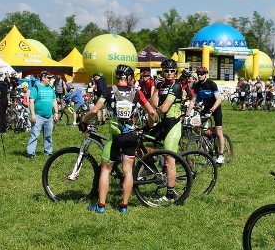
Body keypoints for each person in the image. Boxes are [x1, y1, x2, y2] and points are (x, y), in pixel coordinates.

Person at [80, 64, 157, 213]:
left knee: (105, 169)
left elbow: (95, 110)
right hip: (131, 136)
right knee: (128, 171)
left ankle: (101, 206)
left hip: (115, 137)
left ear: (117, 77)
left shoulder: (109, 91)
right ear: (129, 78)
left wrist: (84, 122)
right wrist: (149, 126)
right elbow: (152, 113)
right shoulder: (137, 92)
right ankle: (124, 206)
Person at [147, 58, 184, 199]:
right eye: (166, 70)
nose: (169, 73)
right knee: (141, 139)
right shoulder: (161, 85)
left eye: (172, 71)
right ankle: (149, 167)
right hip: (162, 123)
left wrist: (154, 110)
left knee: (169, 159)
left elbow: (164, 107)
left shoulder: (176, 86)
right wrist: (157, 88)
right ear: (162, 71)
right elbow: (153, 102)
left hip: (173, 124)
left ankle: (170, 192)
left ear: (175, 72)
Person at [186, 66, 226, 164]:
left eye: (201, 74)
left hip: (215, 109)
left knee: (219, 131)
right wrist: (187, 114)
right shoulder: (197, 85)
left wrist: (212, 110)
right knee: (195, 127)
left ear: (205, 74)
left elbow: (219, 99)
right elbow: (193, 100)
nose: (199, 76)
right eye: (198, 74)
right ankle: (208, 135)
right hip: (206, 108)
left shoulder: (211, 84)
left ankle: (220, 155)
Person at [25, 71, 59, 158]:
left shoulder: (51, 88)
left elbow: (54, 100)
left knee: (48, 135)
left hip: (49, 116)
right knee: (34, 134)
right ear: (43, 78)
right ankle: (31, 153)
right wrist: (32, 114)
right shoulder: (36, 88)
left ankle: (48, 152)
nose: (50, 80)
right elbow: (31, 101)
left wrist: (56, 112)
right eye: (48, 78)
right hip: (38, 115)